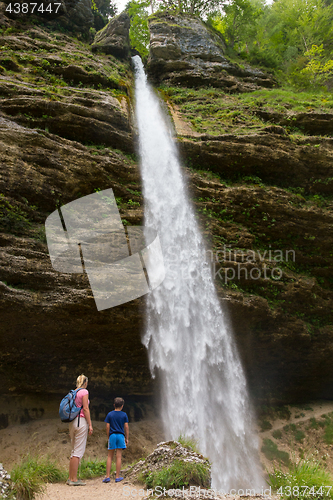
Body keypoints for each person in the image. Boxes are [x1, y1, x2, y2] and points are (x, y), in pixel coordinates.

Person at [67, 374, 93, 486]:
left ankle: (70, 478)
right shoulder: (84, 392)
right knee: (78, 452)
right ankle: (74, 479)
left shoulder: (73, 392)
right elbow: (85, 409)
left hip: (72, 422)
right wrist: (90, 425)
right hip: (81, 421)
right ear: (85, 383)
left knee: (73, 451)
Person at [103, 397, 129, 483]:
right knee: (119, 457)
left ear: (114, 405)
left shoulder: (110, 414)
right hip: (121, 436)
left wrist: (108, 436)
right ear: (122, 406)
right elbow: (126, 427)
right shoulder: (124, 415)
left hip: (112, 435)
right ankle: (117, 477)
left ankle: (107, 476)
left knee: (110, 456)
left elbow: (107, 427)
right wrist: (127, 438)